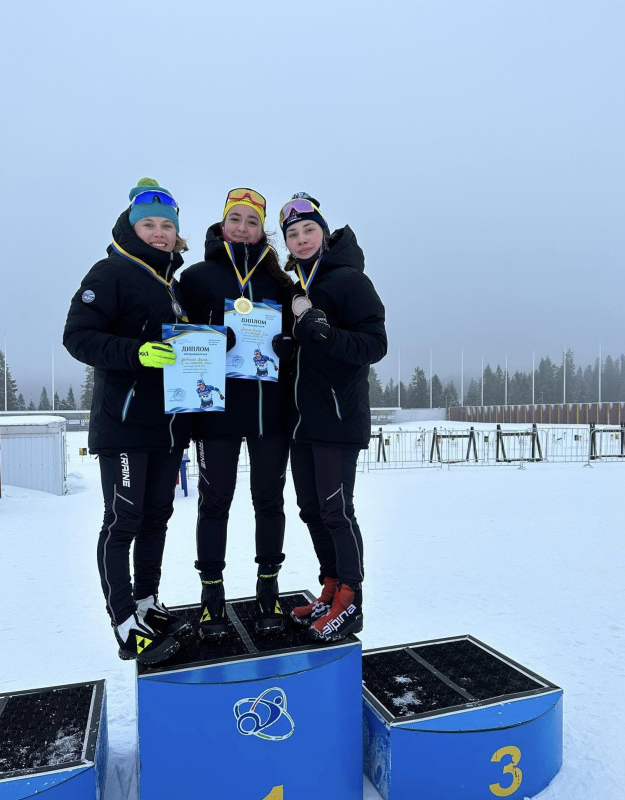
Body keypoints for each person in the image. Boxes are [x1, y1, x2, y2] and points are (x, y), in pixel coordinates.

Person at [63, 177, 192, 664]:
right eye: (148, 224)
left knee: (157, 518)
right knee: (123, 522)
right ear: (131, 227)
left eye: (166, 226)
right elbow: (78, 337)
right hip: (124, 425)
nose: (159, 233)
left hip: (168, 426)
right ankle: (123, 621)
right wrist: (136, 352)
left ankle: (146, 602)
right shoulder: (111, 272)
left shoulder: (170, 283)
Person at [178, 188, 294, 638]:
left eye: (252, 221)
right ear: (223, 224)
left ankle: (269, 588)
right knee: (214, 503)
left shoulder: (280, 282)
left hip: (270, 414)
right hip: (216, 414)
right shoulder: (196, 278)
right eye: (236, 219)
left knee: (269, 500)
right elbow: (177, 338)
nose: (243, 228)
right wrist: (207, 338)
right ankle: (212, 595)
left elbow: (299, 341)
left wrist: (288, 346)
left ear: (262, 229)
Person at [279, 193, 387, 642]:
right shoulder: (298, 288)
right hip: (302, 422)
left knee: (337, 511)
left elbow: (374, 345)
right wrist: (290, 349)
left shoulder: (350, 280)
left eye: (309, 230)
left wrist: (325, 333)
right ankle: (331, 586)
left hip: (338, 419)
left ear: (323, 233)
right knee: (311, 510)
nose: (302, 239)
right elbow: (309, 355)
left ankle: (352, 600)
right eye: (293, 234)